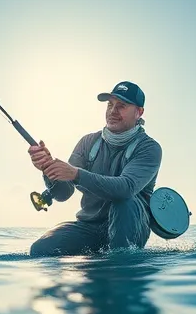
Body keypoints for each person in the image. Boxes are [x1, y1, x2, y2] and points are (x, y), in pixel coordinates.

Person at [28, 81, 162, 257]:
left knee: (124, 201)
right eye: (110, 105)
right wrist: (48, 169)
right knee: (40, 250)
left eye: (121, 106)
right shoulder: (87, 142)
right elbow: (63, 193)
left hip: (129, 224)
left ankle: (122, 267)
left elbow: (126, 188)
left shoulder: (149, 148)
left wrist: (76, 174)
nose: (112, 111)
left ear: (139, 112)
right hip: (89, 226)